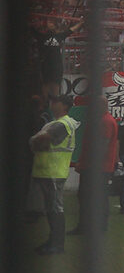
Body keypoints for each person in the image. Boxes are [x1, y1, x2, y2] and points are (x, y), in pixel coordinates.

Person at [29, 95, 78, 254]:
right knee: (52, 209)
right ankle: (53, 241)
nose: (52, 104)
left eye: (55, 102)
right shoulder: (56, 123)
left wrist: (34, 140)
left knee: (55, 208)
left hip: (53, 171)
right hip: (49, 170)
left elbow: (40, 142)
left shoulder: (61, 124)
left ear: (63, 105)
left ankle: (57, 244)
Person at [69, 104, 118, 235]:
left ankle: (91, 226)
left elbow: (102, 145)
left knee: (88, 197)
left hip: (96, 168)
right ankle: (96, 226)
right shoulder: (104, 120)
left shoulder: (104, 121)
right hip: (99, 167)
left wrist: (89, 164)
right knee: (95, 197)